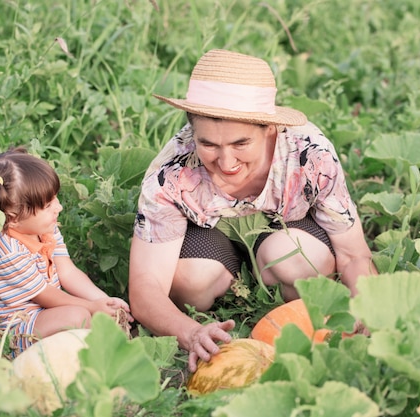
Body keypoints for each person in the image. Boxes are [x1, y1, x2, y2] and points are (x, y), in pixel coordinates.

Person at [129, 49, 376, 372]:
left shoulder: (310, 157)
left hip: (285, 229)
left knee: (303, 264)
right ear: (192, 131)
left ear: (269, 130)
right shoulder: (172, 174)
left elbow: (354, 254)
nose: (226, 162)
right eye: (209, 145)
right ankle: (227, 278)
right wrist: (189, 332)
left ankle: (265, 274)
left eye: (240, 144)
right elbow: (146, 286)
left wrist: (368, 308)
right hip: (208, 235)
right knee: (191, 284)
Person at [0, 147, 133, 356]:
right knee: (79, 317)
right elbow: (47, 296)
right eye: (48, 205)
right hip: (12, 331)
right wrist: (93, 308)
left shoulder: (44, 229)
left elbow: (67, 272)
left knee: (88, 314)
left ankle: (97, 348)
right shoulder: (6, 252)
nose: (58, 207)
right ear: (13, 216)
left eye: (55, 199)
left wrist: (104, 302)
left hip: (41, 315)